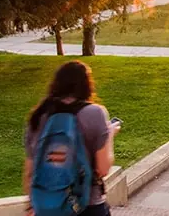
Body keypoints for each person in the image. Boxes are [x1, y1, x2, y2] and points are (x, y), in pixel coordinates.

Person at [24, 61, 118, 216]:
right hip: (87, 204)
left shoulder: (39, 116)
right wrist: (109, 135)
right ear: (87, 85)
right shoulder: (95, 113)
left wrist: (31, 205)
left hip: (47, 207)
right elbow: (103, 168)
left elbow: (30, 170)